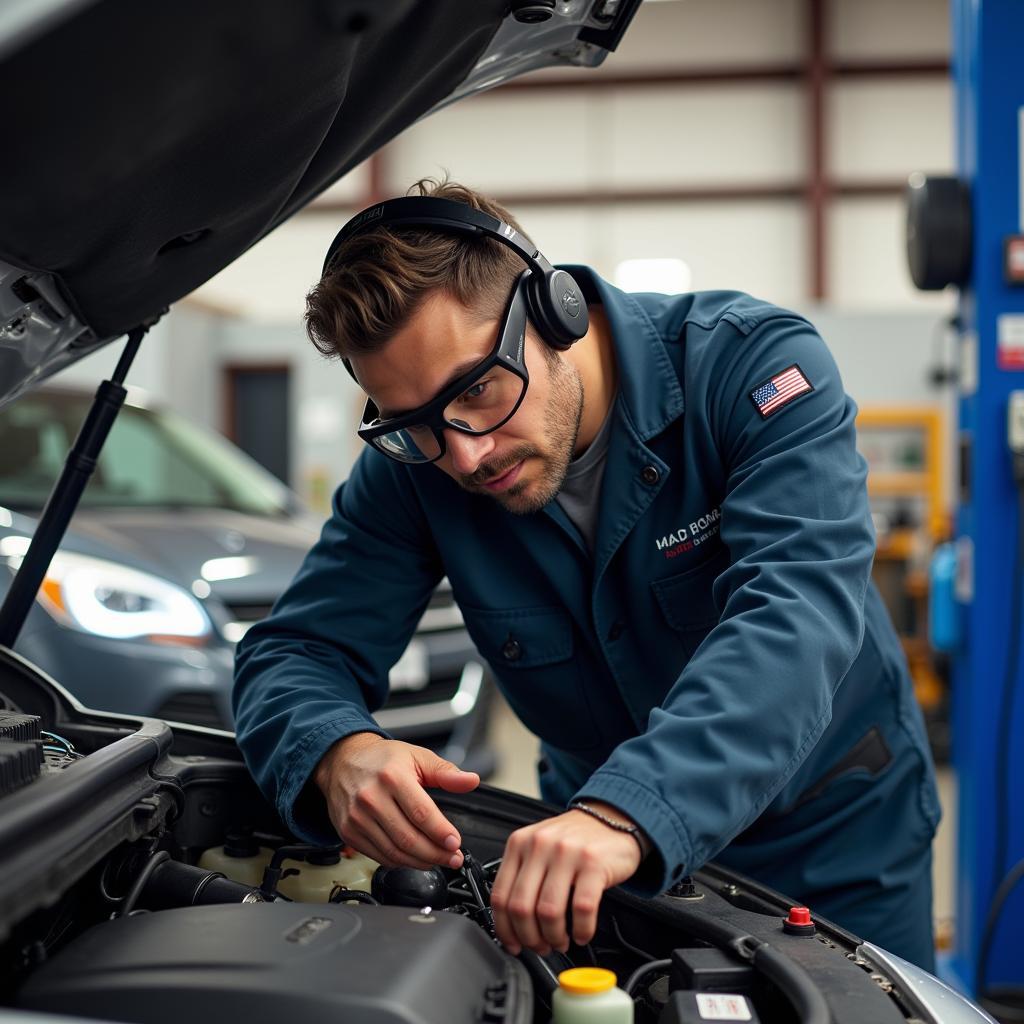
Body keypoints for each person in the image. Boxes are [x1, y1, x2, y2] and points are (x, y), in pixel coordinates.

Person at [233, 178, 941, 970]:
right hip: (586, 847)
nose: (464, 453)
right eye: (415, 423)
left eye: (477, 391)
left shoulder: (752, 370)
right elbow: (292, 653)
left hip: (829, 838)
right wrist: (337, 749)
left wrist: (625, 812)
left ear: (553, 313)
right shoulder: (418, 468)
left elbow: (796, 620)